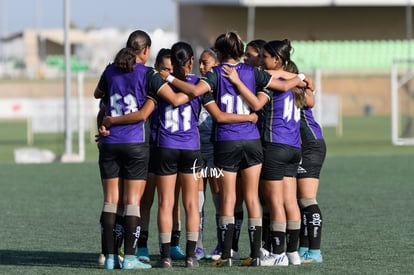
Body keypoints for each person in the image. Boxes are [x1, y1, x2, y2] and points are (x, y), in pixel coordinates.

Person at [159, 31, 312, 267]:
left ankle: (227, 255)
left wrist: (167, 78)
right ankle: (256, 255)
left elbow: (192, 92)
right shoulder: (254, 72)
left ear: (219, 54)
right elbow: (283, 86)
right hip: (252, 141)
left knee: (228, 198)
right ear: (240, 52)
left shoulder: (215, 74)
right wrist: (300, 76)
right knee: (252, 198)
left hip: (227, 141)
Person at [152, 41, 259, 269]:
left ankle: (165, 257)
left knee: (165, 203)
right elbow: (219, 115)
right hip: (191, 148)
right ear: (191, 61)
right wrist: (248, 118)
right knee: (192, 204)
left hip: (166, 147)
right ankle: (191, 256)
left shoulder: (158, 81)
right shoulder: (200, 84)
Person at [223, 39, 310, 266]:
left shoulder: (274, 80)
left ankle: (278, 253)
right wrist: (301, 78)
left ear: (277, 60)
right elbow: (309, 93)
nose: (260, 61)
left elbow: (255, 103)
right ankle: (292, 252)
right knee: (291, 201)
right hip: (293, 147)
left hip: (275, 145)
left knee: (275, 202)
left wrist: (237, 81)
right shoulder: (293, 79)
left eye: (264, 57)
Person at [135, 48, 186, 263]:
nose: (168, 74)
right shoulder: (151, 88)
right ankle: (142, 247)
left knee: (172, 202)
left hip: (170, 151)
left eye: (172, 70)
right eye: (164, 69)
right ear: (156, 69)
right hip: (150, 150)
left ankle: (173, 244)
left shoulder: (180, 91)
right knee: (145, 202)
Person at [296, 79, 326, 264]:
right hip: (296, 145)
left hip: (309, 144)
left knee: (307, 199)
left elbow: (309, 101)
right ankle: (304, 249)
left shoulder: (289, 80)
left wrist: (308, 87)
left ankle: (315, 252)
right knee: (299, 201)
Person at [196, 48, 220, 260]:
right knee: (197, 200)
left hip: (216, 149)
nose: (202, 67)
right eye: (200, 63)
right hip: (196, 150)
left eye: (206, 63)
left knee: (219, 197)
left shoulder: (222, 85)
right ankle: (198, 245)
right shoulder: (195, 85)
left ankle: (223, 244)